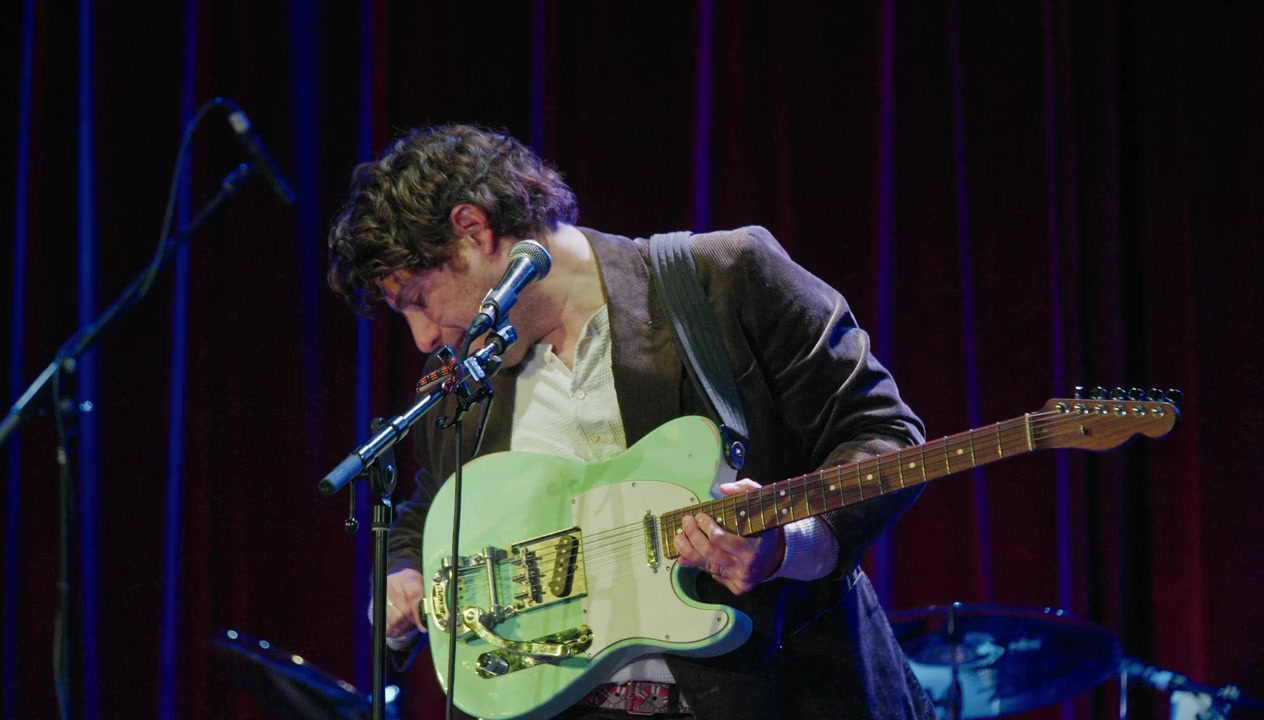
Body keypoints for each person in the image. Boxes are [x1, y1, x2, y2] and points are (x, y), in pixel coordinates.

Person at [327, 124, 935, 719]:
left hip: (771, 691)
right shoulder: (467, 380)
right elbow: (432, 505)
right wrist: (404, 573)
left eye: (418, 300)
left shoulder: (725, 277)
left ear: (473, 230)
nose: (423, 336)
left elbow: (882, 432)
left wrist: (787, 545)